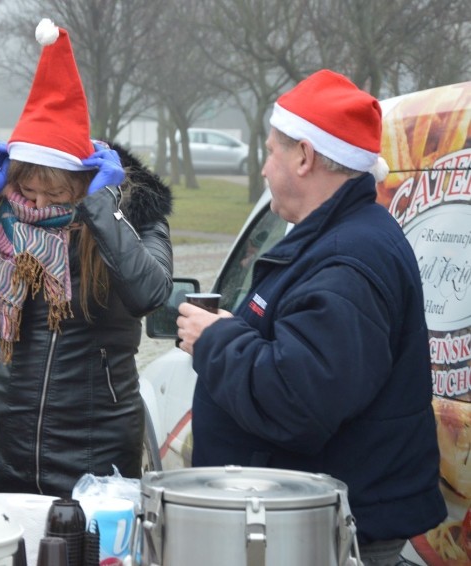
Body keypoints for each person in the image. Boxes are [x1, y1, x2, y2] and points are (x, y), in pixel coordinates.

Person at [177, 69, 446, 565]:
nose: (262, 168)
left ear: (304, 156)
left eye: (271, 151)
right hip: (310, 520)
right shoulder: (338, 239)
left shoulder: (347, 262)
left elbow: (297, 402)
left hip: (327, 535)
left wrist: (215, 340)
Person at [0, 19, 173, 497]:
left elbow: (149, 294)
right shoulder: (6, 214)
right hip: (2, 437)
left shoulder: (133, 213)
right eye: (26, 188)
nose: (38, 203)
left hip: (95, 448)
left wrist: (100, 209)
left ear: (83, 181)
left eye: (55, 193)